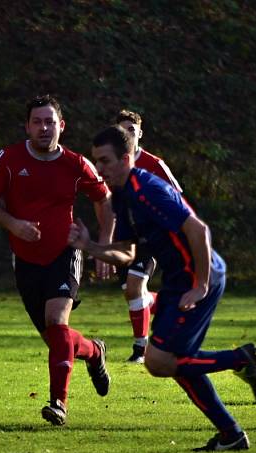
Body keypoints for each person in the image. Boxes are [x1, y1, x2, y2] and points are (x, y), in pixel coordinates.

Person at [68, 125, 256, 451]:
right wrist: (90, 246)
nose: (99, 168)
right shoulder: (122, 196)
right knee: (174, 362)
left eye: (104, 161)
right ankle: (231, 435)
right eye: (96, 161)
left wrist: (200, 285)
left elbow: (199, 230)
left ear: (126, 158)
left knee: (160, 361)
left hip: (198, 277)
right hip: (178, 280)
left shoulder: (147, 189)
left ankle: (241, 359)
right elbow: (129, 254)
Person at [0, 95, 115, 427]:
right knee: (57, 339)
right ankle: (94, 352)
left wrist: (104, 243)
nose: (43, 128)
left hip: (64, 253)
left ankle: (58, 405)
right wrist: (13, 224)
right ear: (27, 126)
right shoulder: (8, 159)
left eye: (50, 121)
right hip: (25, 261)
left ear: (61, 126)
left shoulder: (76, 164)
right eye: (37, 122)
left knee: (57, 322)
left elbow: (104, 198)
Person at [114, 110, 183, 364]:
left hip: (151, 239)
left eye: (132, 130)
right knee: (133, 294)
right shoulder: (112, 163)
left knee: (134, 287)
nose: (127, 135)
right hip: (124, 239)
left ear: (140, 134)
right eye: (122, 130)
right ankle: (166, 303)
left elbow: (177, 197)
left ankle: (140, 349)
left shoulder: (154, 164)